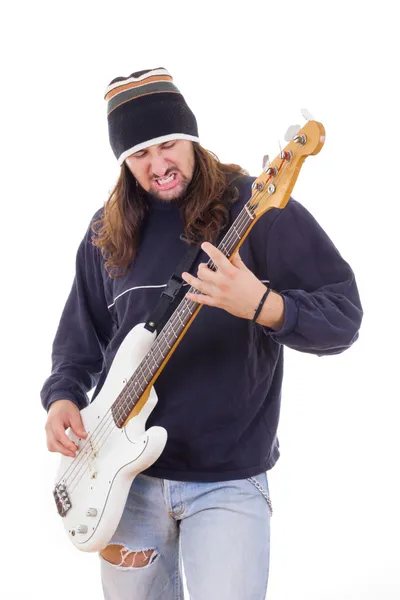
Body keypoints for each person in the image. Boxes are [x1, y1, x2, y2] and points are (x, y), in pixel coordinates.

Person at [41, 67, 363, 600]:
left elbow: (344, 315)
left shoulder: (256, 209)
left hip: (228, 480)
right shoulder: (106, 231)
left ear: (190, 137)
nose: (158, 165)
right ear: (123, 160)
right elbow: (79, 341)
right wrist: (60, 399)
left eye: (167, 144)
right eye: (140, 154)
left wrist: (261, 304)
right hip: (122, 485)